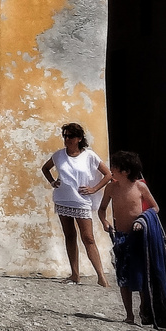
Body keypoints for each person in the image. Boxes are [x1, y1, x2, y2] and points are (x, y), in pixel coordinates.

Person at [98, 149, 166, 325]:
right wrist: (105, 222)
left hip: (139, 237)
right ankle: (129, 315)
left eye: (114, 167)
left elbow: (155, 208)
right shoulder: (111, 188)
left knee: (141, 275)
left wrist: (143, 220)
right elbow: (102, 208)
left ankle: (144, 308)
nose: (111, 169)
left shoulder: (140, 187)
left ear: (125, 171)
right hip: (121, 238)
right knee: (123, 277)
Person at [40, 122, 111, 285]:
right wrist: (52, 182)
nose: (67, 139)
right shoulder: (58, 155)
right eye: (65, 135)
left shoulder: (89, 156)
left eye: (70, 136)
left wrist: (94, 189)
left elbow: (107, 174)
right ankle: (74, 274)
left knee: (88, 238)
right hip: (63, 198)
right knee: (70, 236)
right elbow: (45, 168)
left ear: (79, 138)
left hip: (82, 201)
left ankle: (101, 276)